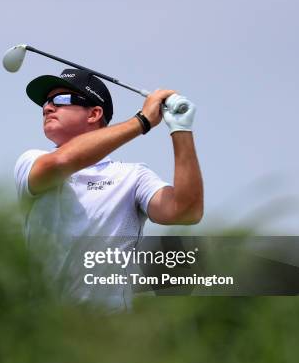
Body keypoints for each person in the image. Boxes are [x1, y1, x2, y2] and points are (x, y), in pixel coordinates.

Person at [14, 69, 203, 309]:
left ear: (94, 113)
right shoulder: (31, 161)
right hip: (45, 329)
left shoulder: (134, 177)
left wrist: (181, 130)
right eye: (46, 102)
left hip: (110, 332)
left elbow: (186, 211)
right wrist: (142, 121)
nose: (47, 108)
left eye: (60, 100)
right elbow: (60, 163)